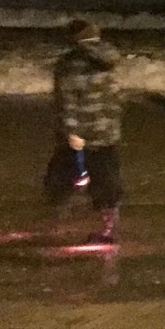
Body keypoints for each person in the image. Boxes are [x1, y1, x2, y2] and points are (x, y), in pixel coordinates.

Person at [44, 18, 124, 244]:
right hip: (107, 132)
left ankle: (56, 223)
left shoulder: (69, 64)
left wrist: (70, 132)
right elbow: (115, 97)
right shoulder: (111, 60)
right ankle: (109, 228)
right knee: (108, 180)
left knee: (57, 178)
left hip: (80, 134)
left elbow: (67, 102)